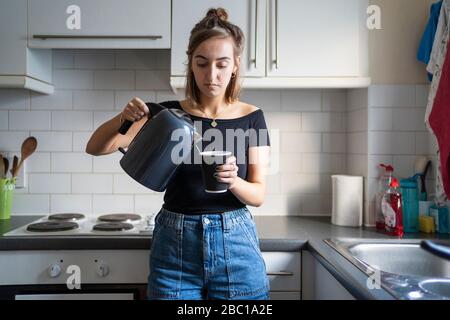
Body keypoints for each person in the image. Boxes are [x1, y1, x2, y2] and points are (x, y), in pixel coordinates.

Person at [86, 8, 271, 300]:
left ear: (235, 65)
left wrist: (233, 180)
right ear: (191, 64)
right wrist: (122, 118)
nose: (212, 75)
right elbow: (95, 147)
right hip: (175, 243)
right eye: (202, 63)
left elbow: (259, 194)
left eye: (222, 65)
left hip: (236, 245)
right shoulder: (168, 115)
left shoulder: (253, 118)